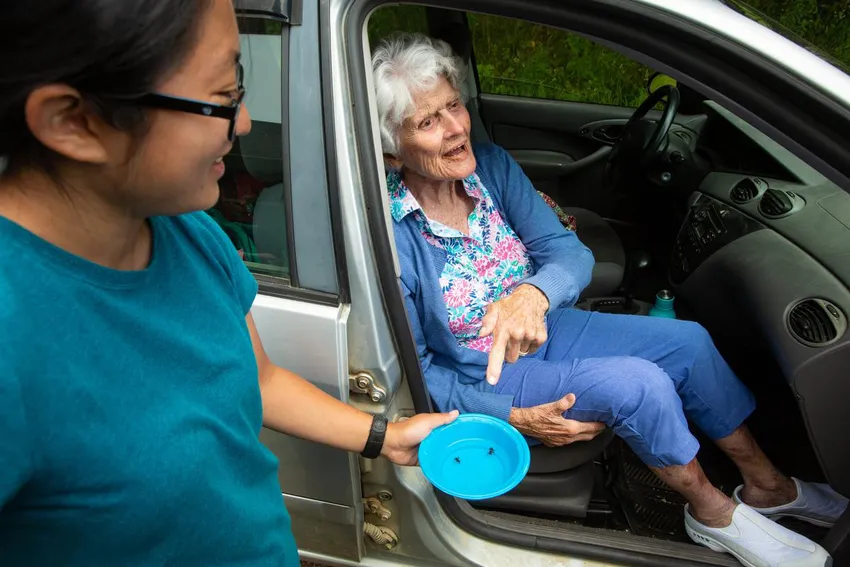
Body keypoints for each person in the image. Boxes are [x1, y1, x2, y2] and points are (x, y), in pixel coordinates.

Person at [0, 3, 459, 566]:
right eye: (220, 99)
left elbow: (258, 379)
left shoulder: (188, 233)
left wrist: (383, 437)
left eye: (238, 86)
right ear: (74, 122)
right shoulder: (14, 330)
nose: (243, 124)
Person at [373, 32, 846, 567]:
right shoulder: (392, 232)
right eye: (428, 122)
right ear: (393, 146)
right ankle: (710, 511)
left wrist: (533, 294)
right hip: (487, 369)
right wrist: (510, 414)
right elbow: (421, 368)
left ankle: (768, 487)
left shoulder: (491, 166)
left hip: (551, 325)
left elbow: (567, 252)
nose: (456, 128)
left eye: (453, 106)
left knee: (688, 343)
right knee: (638, 385)